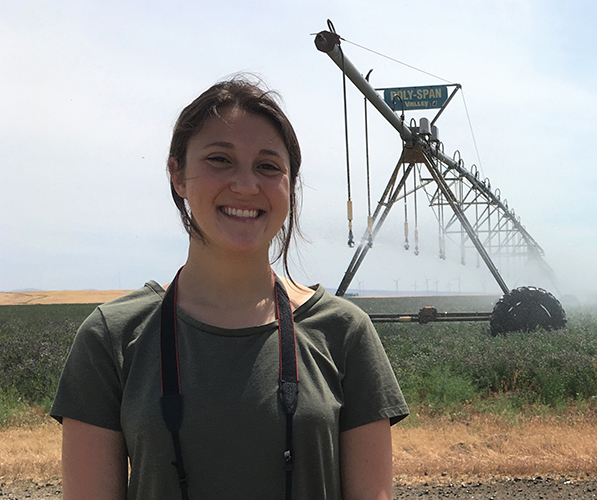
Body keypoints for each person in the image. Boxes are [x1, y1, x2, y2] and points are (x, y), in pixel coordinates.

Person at [51, 77, 409, 500]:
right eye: (220, 159)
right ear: (177, 175)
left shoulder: (344, 332)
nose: (245, 185)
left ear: (290, 187)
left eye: (268, 166)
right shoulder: (111, 337)